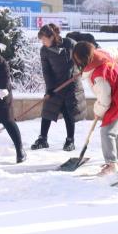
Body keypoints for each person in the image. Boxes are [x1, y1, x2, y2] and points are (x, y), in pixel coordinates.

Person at [72, 42, 118, 176]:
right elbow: (117, 51)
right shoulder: (101, 54)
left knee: (107, 132)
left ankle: (111, 165)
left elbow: (104, 100)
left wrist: (97, 111)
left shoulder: (98, 75)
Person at [31, 24, 86, 152]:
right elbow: (46, 70)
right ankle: (43, 139)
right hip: (55, 84)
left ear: (52, 37)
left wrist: (80, 70)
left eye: (44, 39)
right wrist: (50, 88)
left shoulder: (69, 44)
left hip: (71, 83)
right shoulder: (44, 50)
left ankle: (70, 140)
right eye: (41, 40)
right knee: (48, 109)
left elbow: (81, 58)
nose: (43, 42)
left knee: (68, 112)